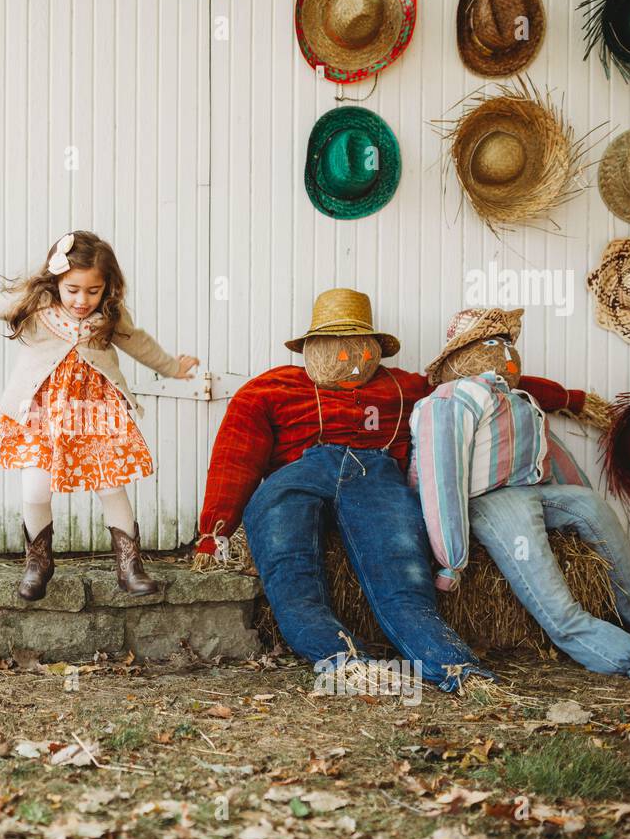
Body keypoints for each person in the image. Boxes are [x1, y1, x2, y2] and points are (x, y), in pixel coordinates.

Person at [194, 288, 585, 693]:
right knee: (289, 571)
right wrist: (214, 531)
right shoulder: (269, 389)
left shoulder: (403, 387)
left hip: (374, 477)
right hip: (296, 477)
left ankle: (455, 668)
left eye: (356, 348)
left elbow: (486, 384)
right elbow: (235, 457)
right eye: (333, 348)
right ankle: (343, 661)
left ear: (375, 349)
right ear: (310, 349)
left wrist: (571, 399)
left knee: (404, 580)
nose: (346, 360)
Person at [410, 307, 630, 681]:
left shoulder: (520, 399)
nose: (508, 353)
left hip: (531, 488)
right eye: (494, 344)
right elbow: (441, 470)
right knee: (544, 580)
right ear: (461, 355)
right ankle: (622, 657)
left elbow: (550, 451)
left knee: (590, 505)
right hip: (489, 498)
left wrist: (577, 490)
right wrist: (451, 557)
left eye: (509, 344)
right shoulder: (451, 398)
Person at [0, 230, 199, 599]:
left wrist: (173, 368)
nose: (82, 300)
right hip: (40, 413)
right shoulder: (36, 307)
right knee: (35, 487)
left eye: (93, 291)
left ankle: (129, 565)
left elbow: (139, 343)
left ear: (107, 287)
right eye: (73, 289)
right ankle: (38, 562)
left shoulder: (109, 315)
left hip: (95, 411)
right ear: (56, 280)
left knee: (110, 483)